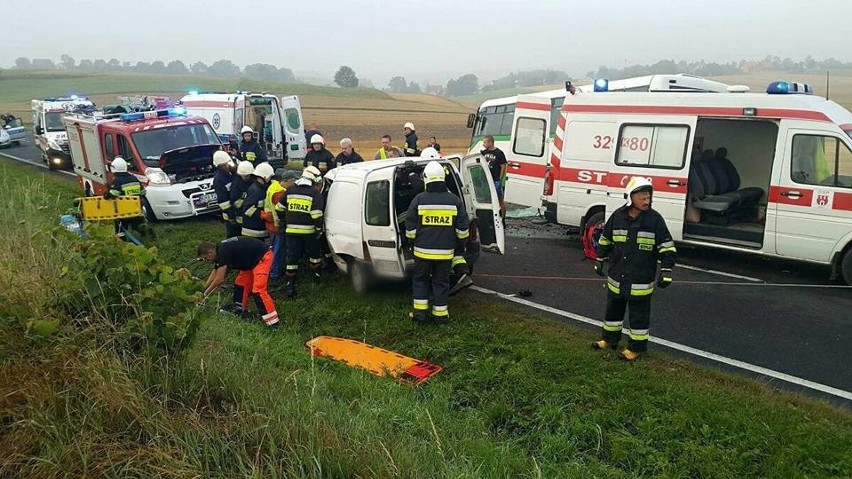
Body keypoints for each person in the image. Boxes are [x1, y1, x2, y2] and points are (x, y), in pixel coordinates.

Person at [592, 177, 676, 361]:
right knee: (613, 312)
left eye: (649, 198)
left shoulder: (655, 220)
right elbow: (605, 239)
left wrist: (666, 270)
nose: (647, 201)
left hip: (640, 278)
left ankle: (636, 349)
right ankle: (609, 340)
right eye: (643, 198)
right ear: (631, 197)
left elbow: (667, 246)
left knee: (638, 316)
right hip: (617, 276)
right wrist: (600, 258)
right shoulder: (617, 216)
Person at [405, 160, 470, 324]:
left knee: (421, 281)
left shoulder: (419, 199)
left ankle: (420, 315)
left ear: (426, 178)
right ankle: (440, 316)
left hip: (421, 252)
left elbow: (410, 228)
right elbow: (463, 229)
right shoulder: (455, 201)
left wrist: (412, 244)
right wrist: (459, 246)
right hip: (445, 253)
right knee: (441, 282)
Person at [197, 237, 280, 329]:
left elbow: (219, 279)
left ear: (210, 252)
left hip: (262, 257)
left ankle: (273, 323)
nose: (206, 261)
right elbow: (215, 272)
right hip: (250, 261)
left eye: (205, 258)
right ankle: (239, 310)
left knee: (258, 290)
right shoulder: (219, 250)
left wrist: (204, 295)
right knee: (240, 284)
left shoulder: (223, 252)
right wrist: (202, 289)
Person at [276, 166, 325, 298]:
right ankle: (317, 277)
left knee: (292, 258)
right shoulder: (315, 194)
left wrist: (284, 221)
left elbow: (279, 208)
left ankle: (290, 286)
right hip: (309, 232)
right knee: (314, 255)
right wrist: (319, 230)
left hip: (291, 232)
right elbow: (316, 216)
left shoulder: (290, 190)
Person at [261, 169, 299, 280]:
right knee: (277, 251)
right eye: (293, 182)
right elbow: (279, 211)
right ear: (288, 181)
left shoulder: (274, 186)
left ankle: (274, 271)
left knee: (274, 249)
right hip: (276, 226)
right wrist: (281, 226)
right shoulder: (280, 193)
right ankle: (275, 273)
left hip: (271, 224)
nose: (294, 184)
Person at [104, 156, 149, 237]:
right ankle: (145, 232)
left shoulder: (117, 180)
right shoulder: (134, 178)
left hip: (123, 211)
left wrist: (106, 194)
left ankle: (121, 237)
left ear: (114, 168)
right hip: (136, 209)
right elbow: (143, 192)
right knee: (138, 223)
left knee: (120, 225)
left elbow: (114, 193)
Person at [240, 162, 275, 239]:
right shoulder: (255, 190)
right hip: (252, 231)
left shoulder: (262, 188)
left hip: (259, 228)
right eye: (270, 177)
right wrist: (262, 214)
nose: (270, 179)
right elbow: (247, 209)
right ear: (265, 177)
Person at [212, 151, 239, 238]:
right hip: (229, 215)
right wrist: (231, 217)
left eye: (226, 163)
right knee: (233, 236)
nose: (226, 166)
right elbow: (223, 202)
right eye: (223, 165)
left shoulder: (232, 173)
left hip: (238, 211)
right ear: (218, 166)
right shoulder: (218, 179)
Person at [481, 135, 507, 221]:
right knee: (487, 200)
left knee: (500, 200)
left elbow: (503, 166)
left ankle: (503, 219)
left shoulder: (499, 153)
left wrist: (500, 179)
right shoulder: (483, 153)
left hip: (496, 180)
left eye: (485, 142)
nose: (483, 144)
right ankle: (490, 219)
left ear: (490, 142)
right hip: (486, 181)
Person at [230, 161, 255, 231]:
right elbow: (235, 202)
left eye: (247, 175)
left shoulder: (254, 182)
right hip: (241, 217)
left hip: (254, 216)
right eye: (243, 175)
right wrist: (248, 202)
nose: (245, 177)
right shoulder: (236, 184)